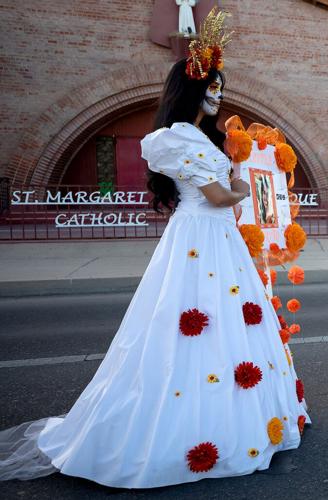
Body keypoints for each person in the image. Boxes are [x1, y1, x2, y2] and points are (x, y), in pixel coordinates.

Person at [0, 15, 309, 487]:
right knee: (193, 319)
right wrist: (245, 187)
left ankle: (237, 412)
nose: (218, 95)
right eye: (212, 87)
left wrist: (245, 174)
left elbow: (222, 191)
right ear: (190, 89)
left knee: (228, 320)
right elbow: (218, 197)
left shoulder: (200, 138)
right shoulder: (173, 138)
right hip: (199, 238)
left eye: (221, 87)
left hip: (219, 237)